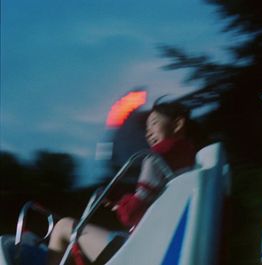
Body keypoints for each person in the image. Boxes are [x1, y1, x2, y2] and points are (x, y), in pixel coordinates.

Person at [47, 102, 197, 265]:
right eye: (146, 129)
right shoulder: (191, 162)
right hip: (160, 243)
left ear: (178, 124)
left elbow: (130, 214)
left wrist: (124, 205)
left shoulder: (155, 158)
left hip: (141, 252)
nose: (148, 133)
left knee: (62, 227)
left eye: (154, 123)